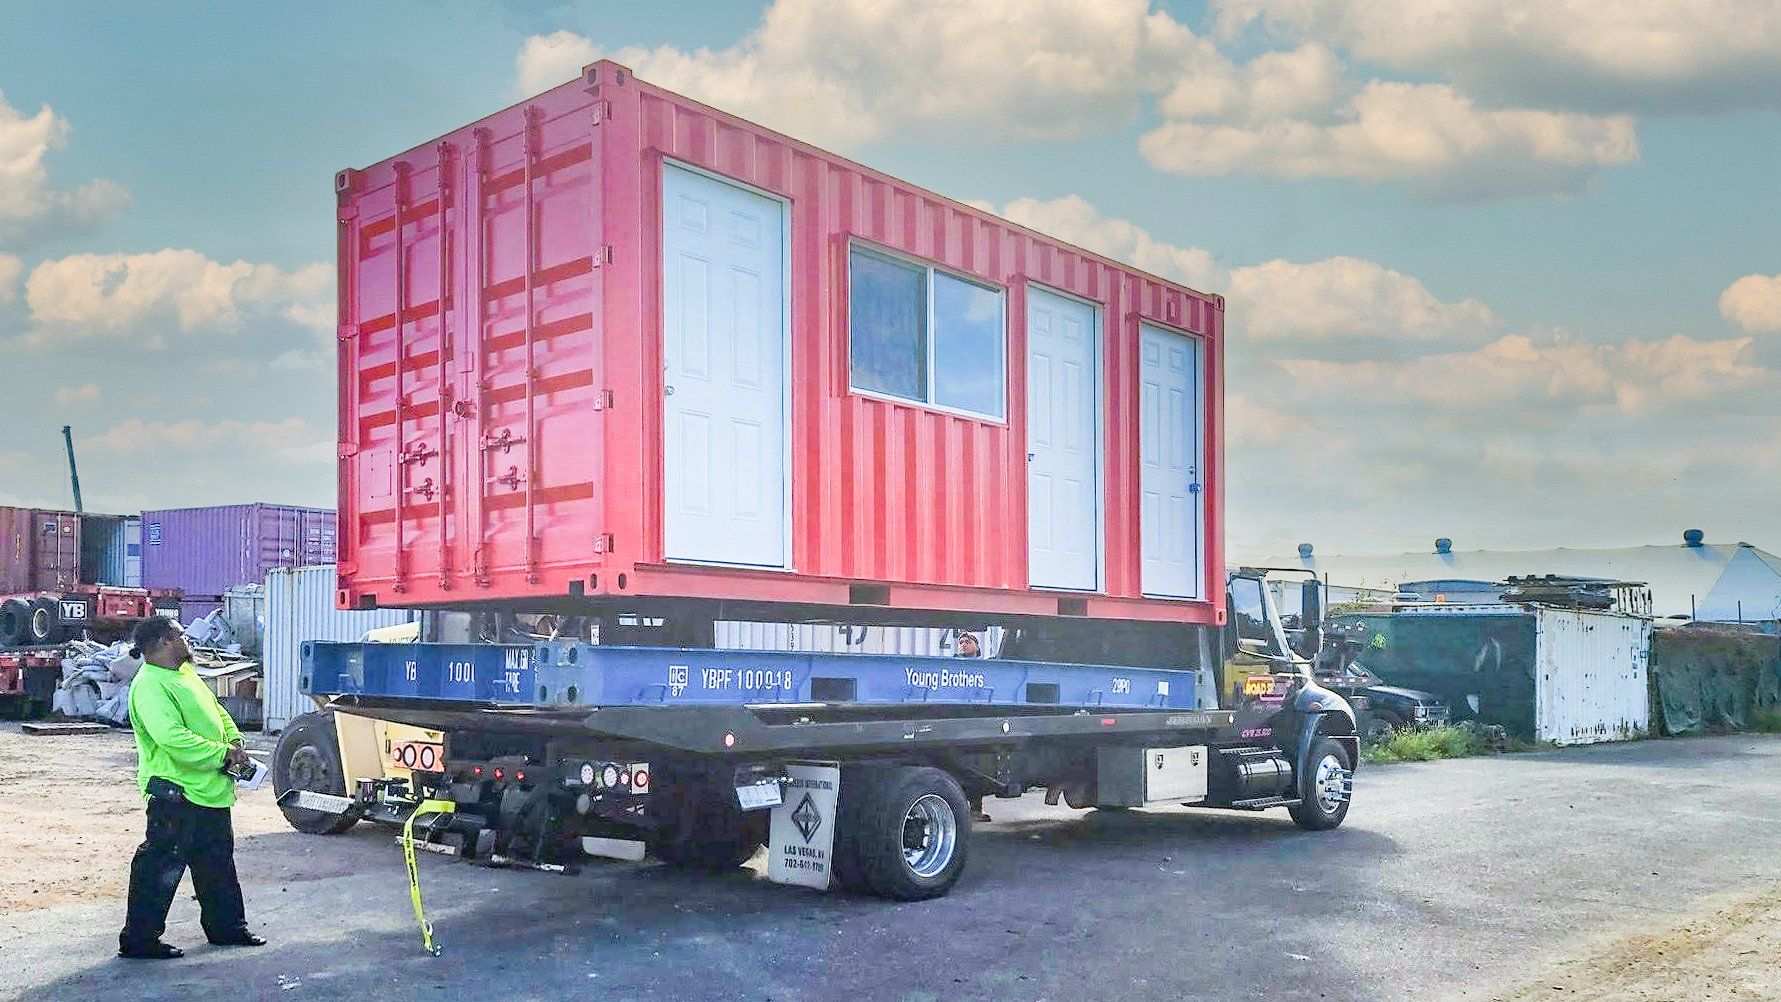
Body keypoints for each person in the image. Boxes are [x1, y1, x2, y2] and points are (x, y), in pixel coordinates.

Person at [117, 616, 266, 959]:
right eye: (182, 635)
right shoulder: (150, 685)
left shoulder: (184, 674)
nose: (189, 640)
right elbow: (172, 738)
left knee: (216, 864)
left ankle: (227, 930)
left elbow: (216, 711)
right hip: (176, 794)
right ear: (166, 641)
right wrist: (221, 754)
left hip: (209, 791)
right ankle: (139, 941)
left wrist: (234, 741)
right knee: (159, 868)